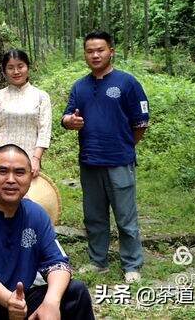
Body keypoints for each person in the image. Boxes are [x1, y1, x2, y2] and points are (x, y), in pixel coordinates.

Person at [0, 144, 94, 320]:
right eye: (3, 171)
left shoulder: (36, 214)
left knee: (75, 292)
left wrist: (51, 302)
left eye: (19, 172)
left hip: (17, 300)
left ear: (30, 177)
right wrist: (10, 301)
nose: (11, 179)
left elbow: (58, 264)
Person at [61, 30, 149, 283]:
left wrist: (124, 146)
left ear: (111, 51)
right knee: (94, 216)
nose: (95, 55)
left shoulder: (127, 83)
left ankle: (132, 264)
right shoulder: (80, 86)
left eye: (100, 50)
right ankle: (98, 261)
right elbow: (67, 116)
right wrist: (69, 121)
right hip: (90, 161)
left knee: (125, 216)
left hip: (119, 161)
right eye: (90, 51)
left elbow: (141, 122)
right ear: (85, 55)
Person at [0, 49, 52, 178]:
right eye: (10, 68)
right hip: (2, 161)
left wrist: (36, 159)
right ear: (4, 71)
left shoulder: (41, 96)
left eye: (20, 66)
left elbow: (45, 130)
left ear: (28, 67)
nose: (16, 72)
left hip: (30, 160)